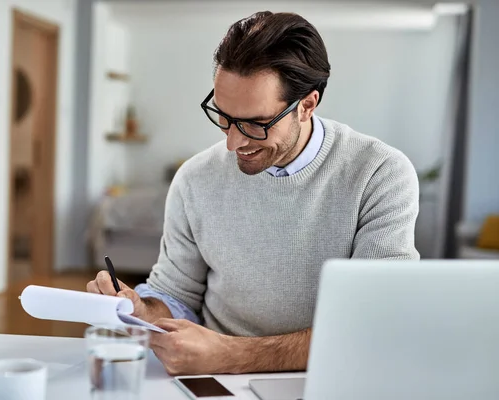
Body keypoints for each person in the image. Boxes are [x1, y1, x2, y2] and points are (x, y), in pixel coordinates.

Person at [87, 11, 420, 376]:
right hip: (213, 378)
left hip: (332, 376)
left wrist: (234, 355)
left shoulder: (380, 173)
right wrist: (141, 309)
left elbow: (374, 322)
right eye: (224, 116)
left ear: (307, 105)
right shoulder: (195, 179)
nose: (233, 143)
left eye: (255, 124)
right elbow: (176, 294)